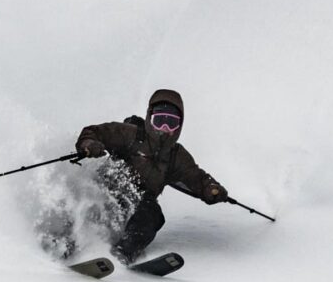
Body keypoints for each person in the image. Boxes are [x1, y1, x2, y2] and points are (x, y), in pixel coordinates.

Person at [71, 88, 227, 263]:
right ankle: (64, 243)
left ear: (179, 126)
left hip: (140, 199)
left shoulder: (176, 155)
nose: (165, 128)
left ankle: (123, 253)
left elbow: (195, 176)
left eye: (171, 123)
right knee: (88, 204)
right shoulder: (130, 134)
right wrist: (90, 144)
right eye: (159, 121)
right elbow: (95, 132)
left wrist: (210, 188)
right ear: (149, 118)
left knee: (153, 215)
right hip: (109, 186)